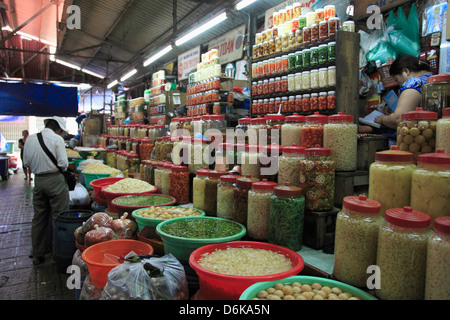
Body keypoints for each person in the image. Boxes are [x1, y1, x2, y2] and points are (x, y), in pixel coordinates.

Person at [23, 117, 70, 265]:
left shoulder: (30, 139)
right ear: (58, 129)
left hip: (38, 181)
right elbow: (63, 164)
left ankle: (37, 254)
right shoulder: (57, 139)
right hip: (55, 180)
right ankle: (56, 256)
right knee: (59, 217)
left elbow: (25, 163)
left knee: (39, 217)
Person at [375, 55, 433, 129]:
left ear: (406, 71)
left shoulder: (413, 84)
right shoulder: (432, 78)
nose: (399, 85)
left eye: (397, 80)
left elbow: (398, 118)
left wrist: (382, 119)